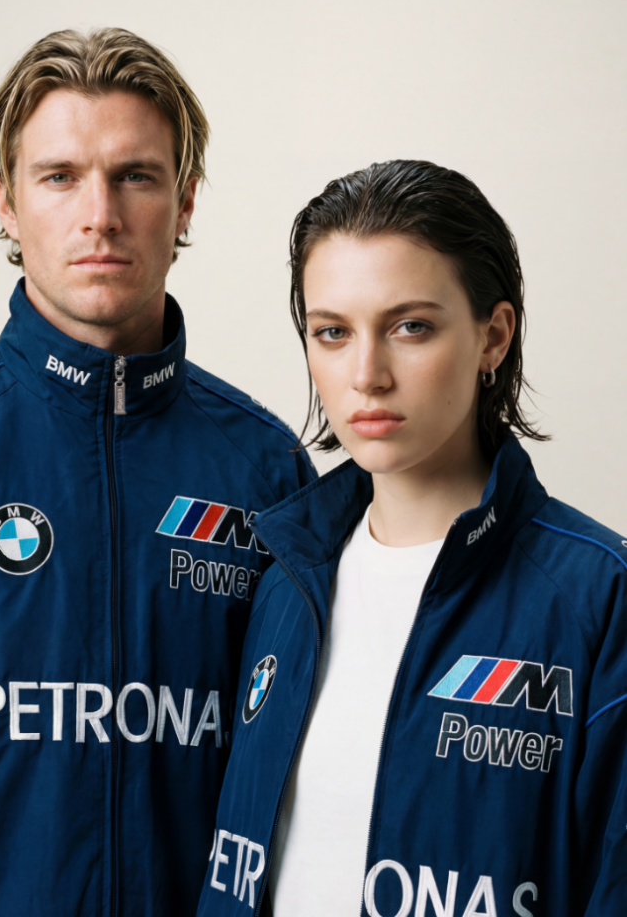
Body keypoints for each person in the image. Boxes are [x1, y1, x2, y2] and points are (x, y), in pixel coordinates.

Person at [0, 28, 314, 917]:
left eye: (136, 175)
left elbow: (304, 790)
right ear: (6, 202)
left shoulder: (267, 470)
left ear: (186, 200)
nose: (101, 214)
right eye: (59, 177)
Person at [196, 160, 627, 917]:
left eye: (410, 327)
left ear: (493, 336)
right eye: (332, 332)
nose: (367, 374)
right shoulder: (286, 580)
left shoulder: (601, 596)